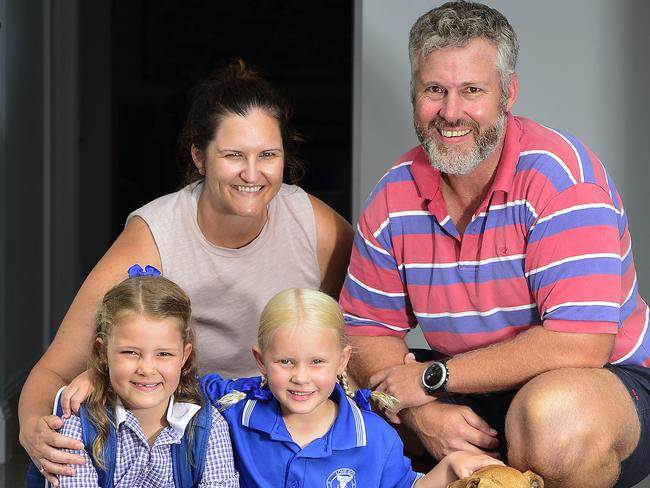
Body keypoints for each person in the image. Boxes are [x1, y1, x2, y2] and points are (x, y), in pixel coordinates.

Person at [339, 2, 650, 488]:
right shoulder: (392, 196)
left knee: (553, 420)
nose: (451, 112)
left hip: (603, 381)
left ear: (509, 93)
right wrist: (423, 414)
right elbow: (363, 331)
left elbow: (583, 341)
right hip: (464, 385)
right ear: (414, 92)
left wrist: (429, 381)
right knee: (323, 391)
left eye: (472, 91)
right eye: (434, 90)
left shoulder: (562, 181)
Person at [19, 61, 354, 485]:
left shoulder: (317, 227)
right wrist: (34, 431)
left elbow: (362, 329)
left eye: (268, 155)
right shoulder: (153, 237)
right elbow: (51, 371)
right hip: (187, 434)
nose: (253, 173)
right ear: (200, 156)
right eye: (233, 155)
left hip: (284, 422)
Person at [200, 288, 503, 487]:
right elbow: (180, 386)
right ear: (261, 361)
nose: (301, 377)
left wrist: (451, 466)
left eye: (317, 361)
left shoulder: (373, 435)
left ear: (342, 361)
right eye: (286, 362)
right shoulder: (232, 409)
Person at [31, 265, 239, 487]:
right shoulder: (77, 422)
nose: (147, 369)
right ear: (103, 352)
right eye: (130, 352)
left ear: (185, 356)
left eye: (164, 354)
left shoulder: (208, 427)